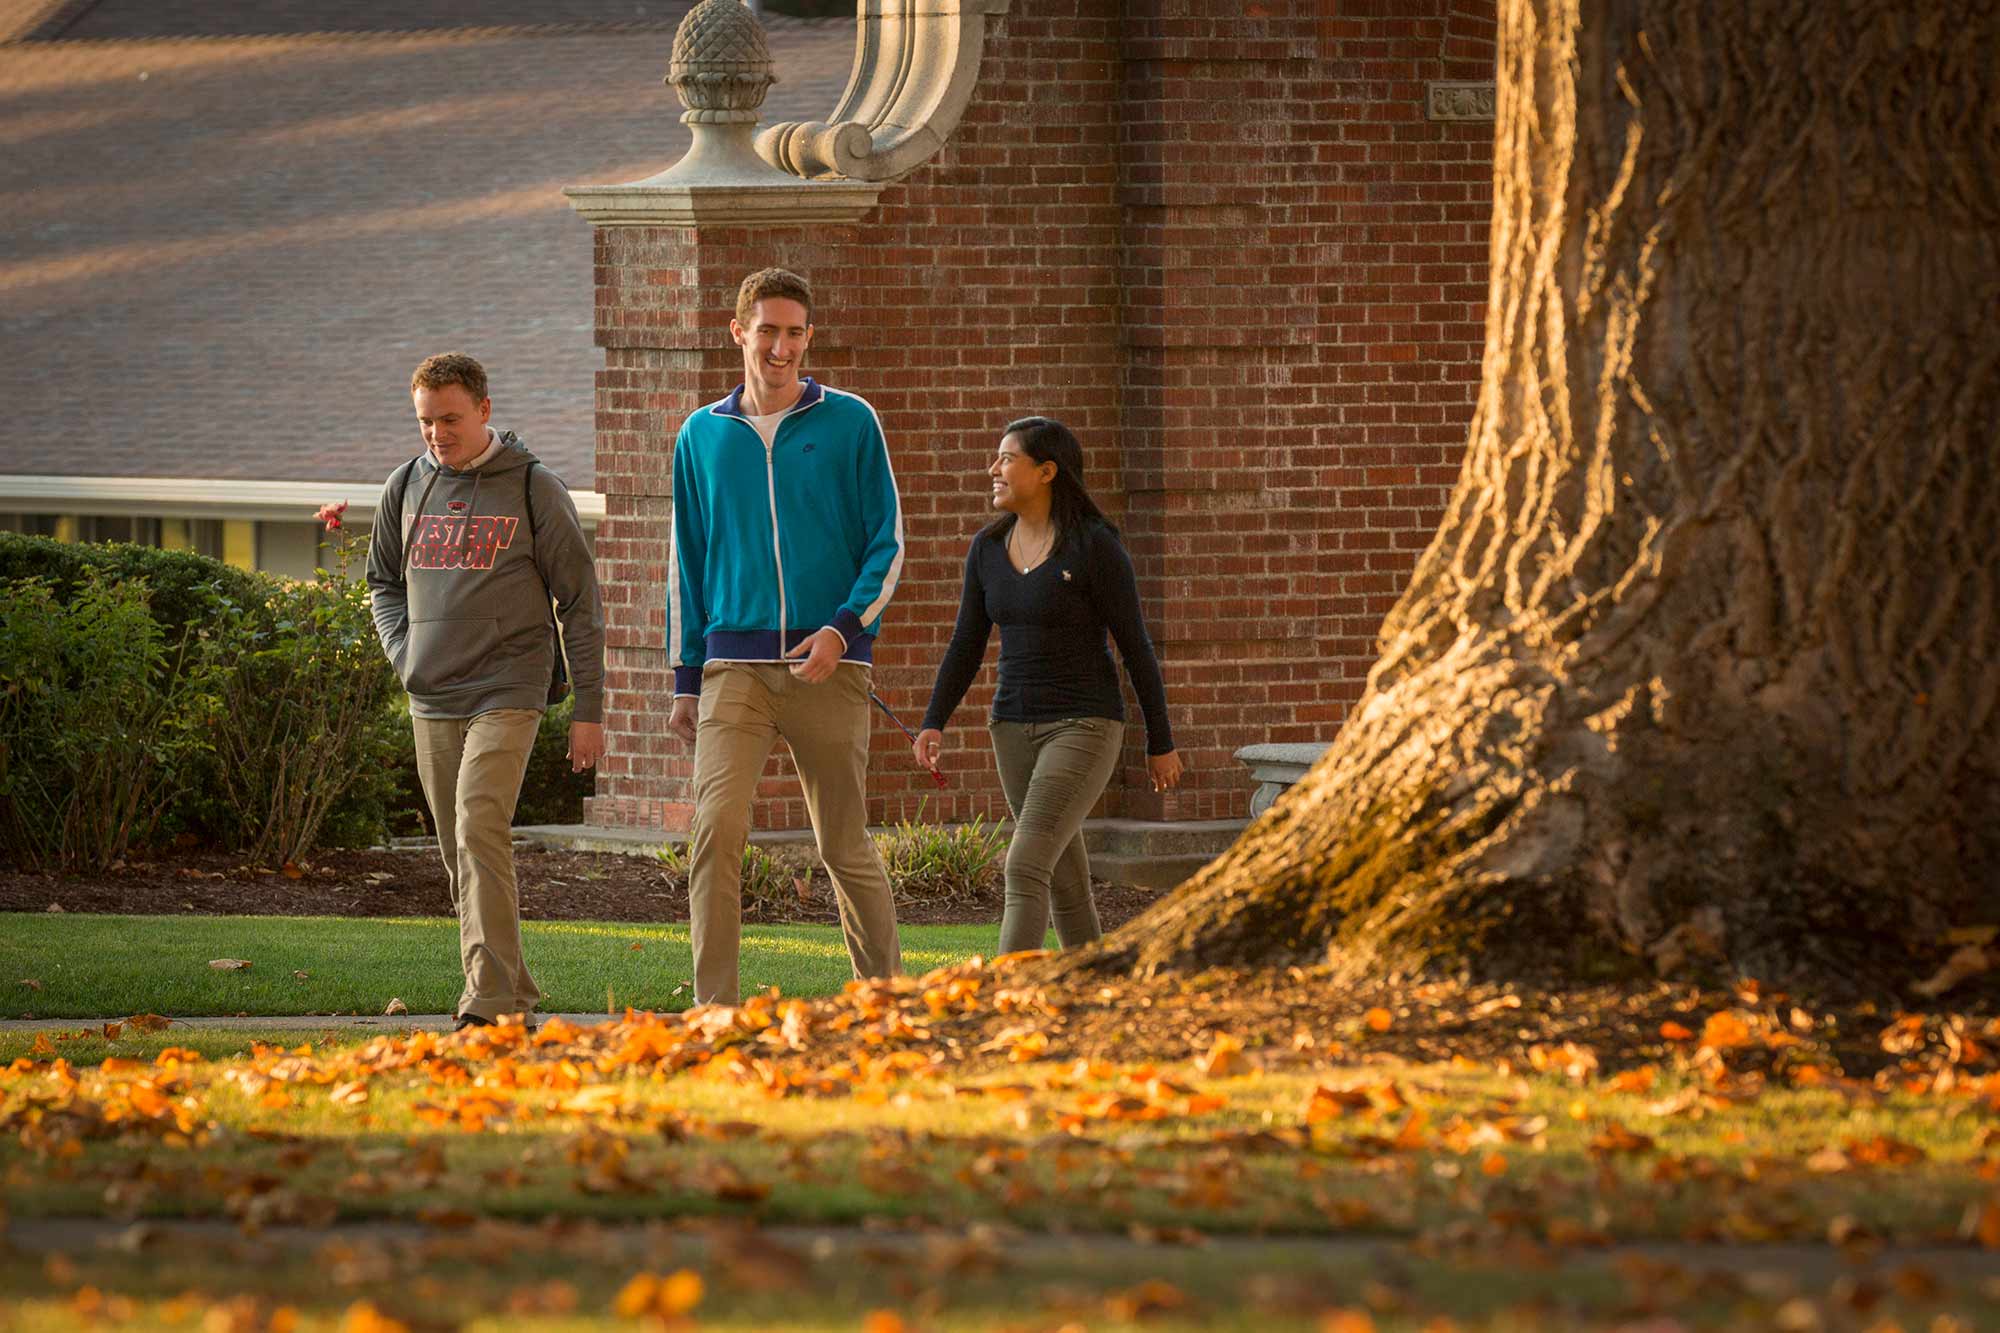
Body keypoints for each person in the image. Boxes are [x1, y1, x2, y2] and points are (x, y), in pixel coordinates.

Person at [667, 267, 903, 1006]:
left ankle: (885, 999)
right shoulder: (701, 436)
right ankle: (715, 1011)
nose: (781, 347)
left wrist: (842, 630)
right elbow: (686, 560)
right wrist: (684, 677)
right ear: (737, 331)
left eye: (794, 332)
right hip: (731, 669)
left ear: (809, 336)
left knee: (842, 843)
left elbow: (887, 544)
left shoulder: (850, 421)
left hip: (826, 666)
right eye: (766, 330)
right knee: (716, 833)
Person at [366, 352, 606, 1031]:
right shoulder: (406, 486)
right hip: (431, 690)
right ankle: (506, 987)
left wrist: (589, 710)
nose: (437, 433)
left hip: (509, 684)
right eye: (425, 421)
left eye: (450, 418)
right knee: (458, 847)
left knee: (478, 822)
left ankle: (491, 1000)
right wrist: (404, 650)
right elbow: (383, 582)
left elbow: (580, 604)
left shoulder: (533, 487)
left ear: (484, 411)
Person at [915, 416, 1182, 955]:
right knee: (1060, 873)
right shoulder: (987, 549)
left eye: (1006, 458)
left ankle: (1007, 1002)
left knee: (1025, 862)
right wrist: (933, 721)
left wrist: (1161, 742)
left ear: (1046, 471)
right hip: (1011, 726)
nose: (993, 469)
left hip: (1084, 722)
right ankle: (1099, 992)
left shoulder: (1095, 546)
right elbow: (966, 644)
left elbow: (1136, 647)